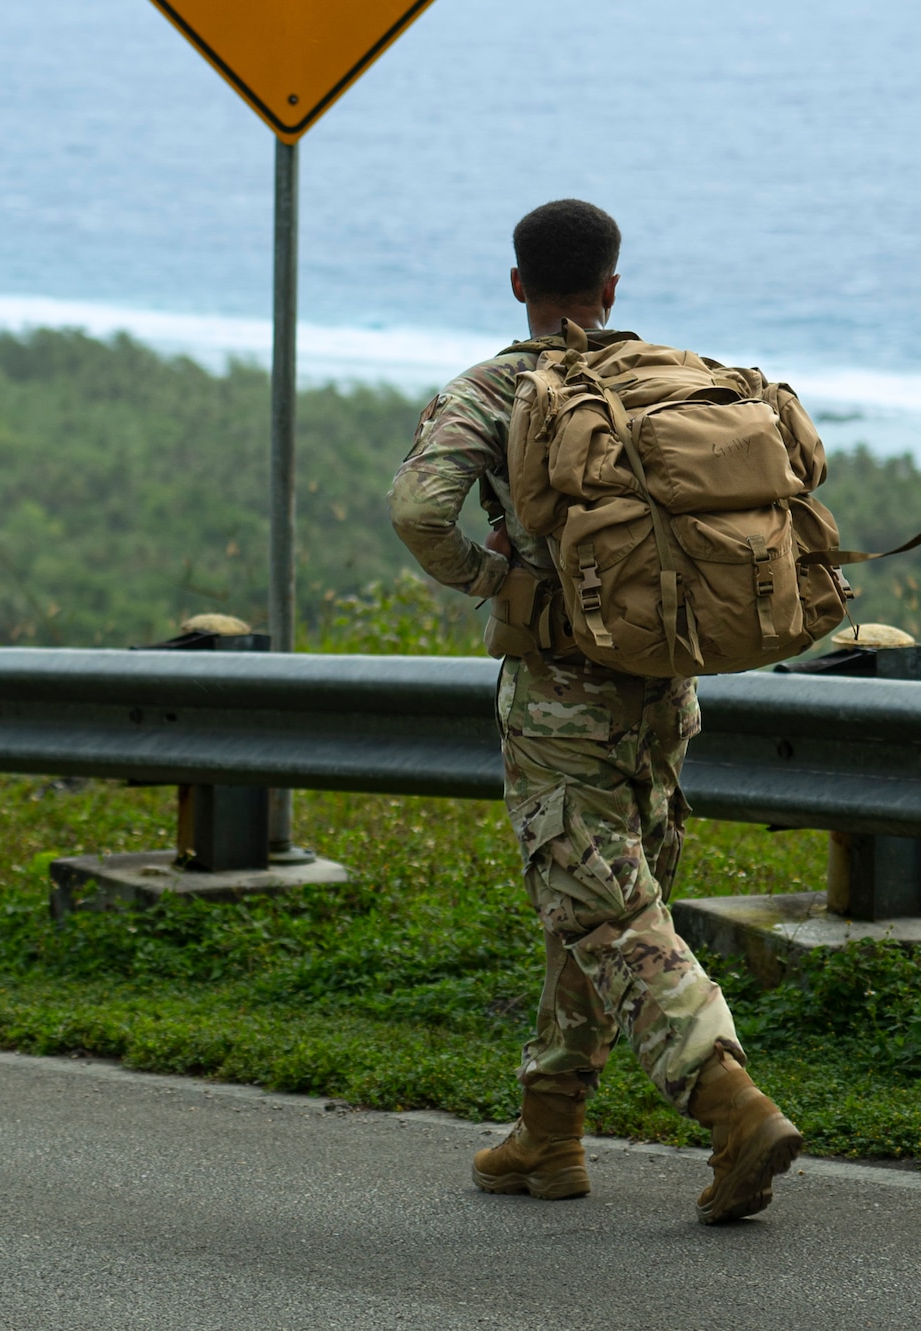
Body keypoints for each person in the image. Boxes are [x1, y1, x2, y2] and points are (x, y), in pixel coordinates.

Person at [386, 199, 803, 1224]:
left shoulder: (494, 386)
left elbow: (417, 509)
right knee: (593, 898)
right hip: (662, 688)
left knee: (605, 910)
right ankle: (549, 1127)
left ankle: (729, 1101)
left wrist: (491, 579)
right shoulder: (661, 375)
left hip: (561, 695)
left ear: (517, 283)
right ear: (611, 287)